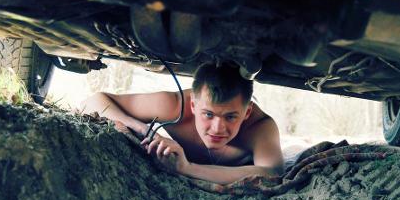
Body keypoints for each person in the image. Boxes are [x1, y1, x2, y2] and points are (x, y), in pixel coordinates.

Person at [80, 62, 284, 184]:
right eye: (208, 114)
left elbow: (272, 173)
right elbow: (93, 101)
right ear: (193, 106)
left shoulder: (260, 127)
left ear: (247, 112)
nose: (217, 128)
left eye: (231, 117)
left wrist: (187, 168)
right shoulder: (173, 106)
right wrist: (146, 130)